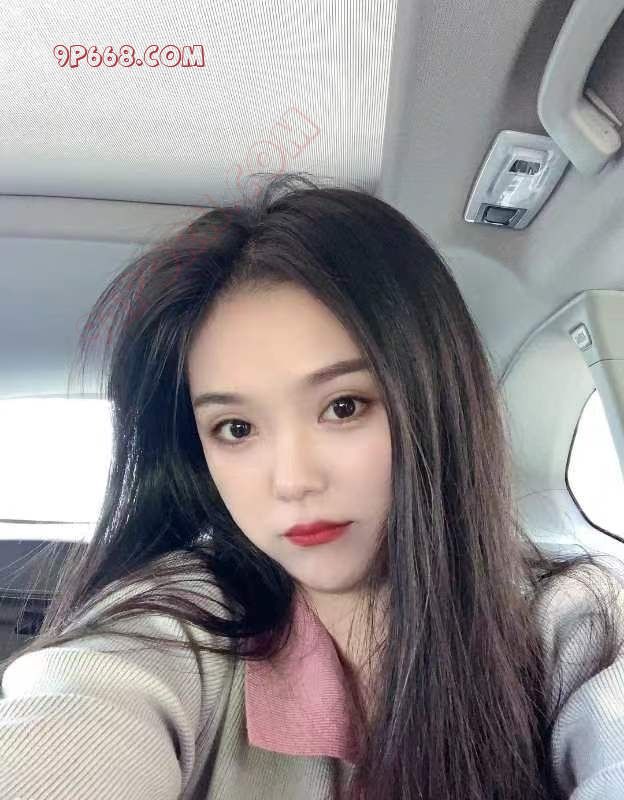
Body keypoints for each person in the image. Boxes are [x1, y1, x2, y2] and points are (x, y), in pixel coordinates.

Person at [1, 171, 624, 800]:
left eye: (344, 407)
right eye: (236, 428)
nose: (294, 481)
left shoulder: (574, 623)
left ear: (436, 404)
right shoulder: (178, 627)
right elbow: (73, 712)